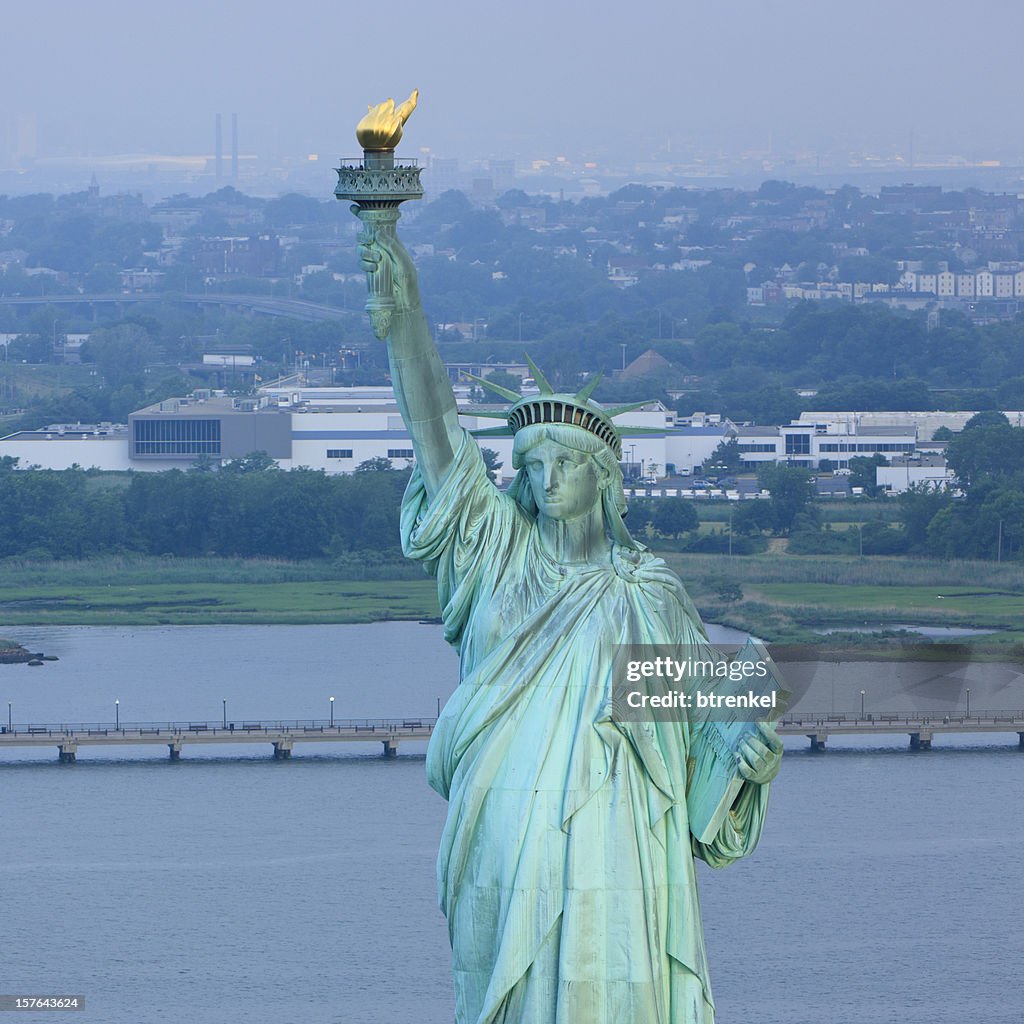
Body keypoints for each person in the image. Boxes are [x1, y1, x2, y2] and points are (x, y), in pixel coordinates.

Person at [359, 224, 782, 1024]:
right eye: (533, 465)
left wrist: (744, 763)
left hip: (620, 834)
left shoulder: (648, 595)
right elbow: (437, 434)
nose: (546, 480)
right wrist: (405, 315)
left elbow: (693, 758)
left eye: (566, 463)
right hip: (506, 822)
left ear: (606, 479)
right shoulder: (494, 558)